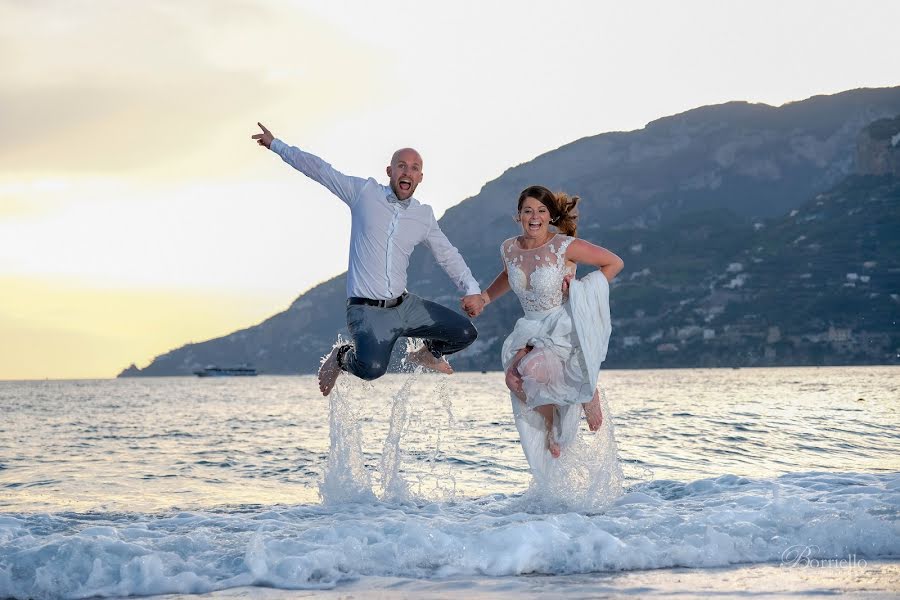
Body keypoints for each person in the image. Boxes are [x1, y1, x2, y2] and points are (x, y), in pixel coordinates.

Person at [252, 123, 485, 396]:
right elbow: (321, 170)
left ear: (420, 177)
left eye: (413, 167)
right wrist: (276, 144)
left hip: (405, 306)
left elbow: (447, 255)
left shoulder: (423, 216)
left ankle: (427, 353)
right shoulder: (363, 193)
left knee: (465, 333)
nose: (407, 171)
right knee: (372, 368)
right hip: (366, 311)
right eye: (401, 165)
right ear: (390, 171)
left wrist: (472, 290)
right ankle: (341, 357)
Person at [464, 185, 622, 464]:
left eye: (541, 211)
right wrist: (486, 297)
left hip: (562, 327)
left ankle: (586, 389)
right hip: (530, 327)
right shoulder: (508, 248)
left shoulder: (564, 246)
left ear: (550, 216)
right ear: (518, 216)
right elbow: (507, 274)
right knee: (514, 380)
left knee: (528, 371)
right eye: (528, 211)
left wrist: (579, 290)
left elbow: (613, 263)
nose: (534, 217)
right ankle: (558, 422)